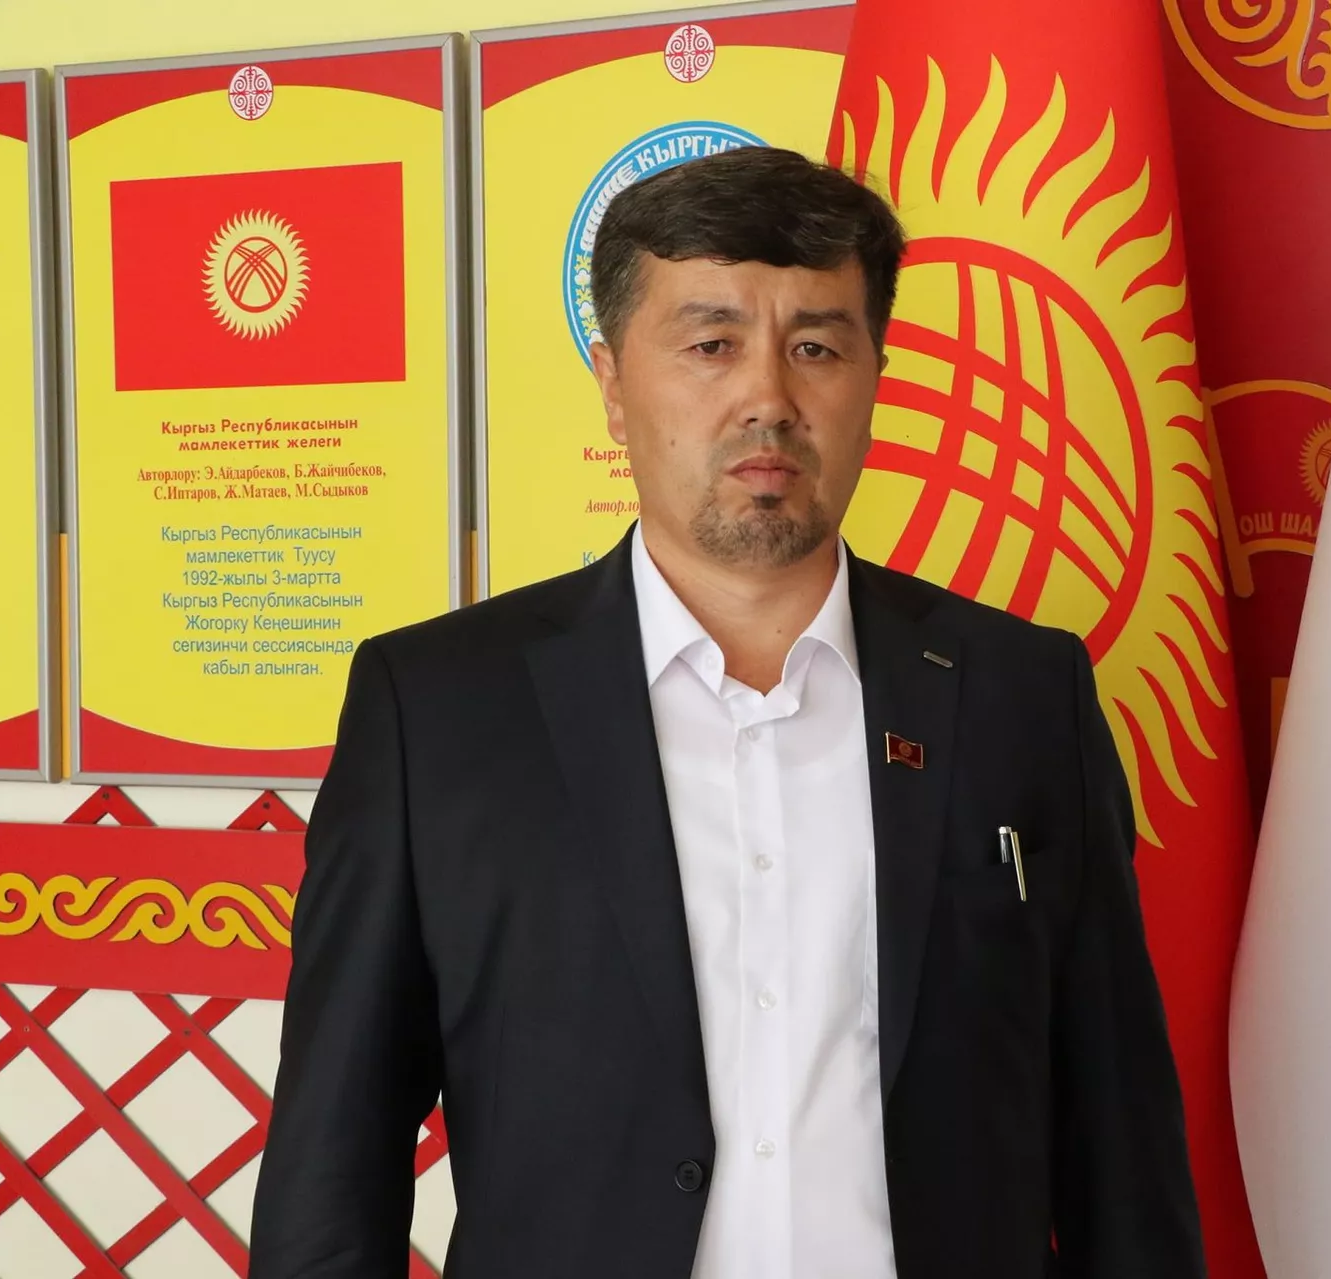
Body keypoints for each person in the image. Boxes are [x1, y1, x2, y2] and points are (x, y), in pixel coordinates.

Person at [249, 146, 1203, 1279]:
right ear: (613, 382)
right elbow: (332, 1166)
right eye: (711, 345)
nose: (769, 400)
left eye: (816, 347)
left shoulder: (1021, 693)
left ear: (876, 377)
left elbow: (1120, 1145)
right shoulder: (440, 709)